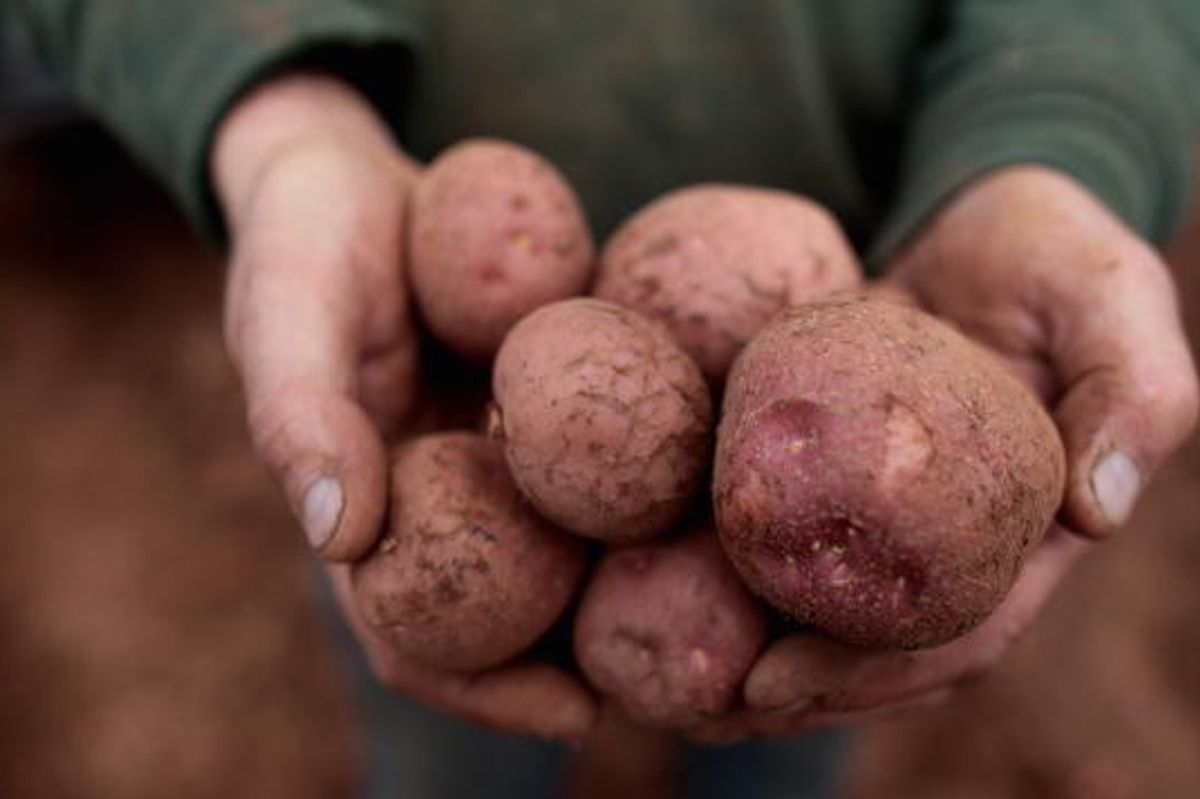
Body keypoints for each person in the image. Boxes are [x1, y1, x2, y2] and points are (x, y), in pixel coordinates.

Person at [7, 1, 1200, 796]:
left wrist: (1066, 126)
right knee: (451, 709)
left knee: (785, 712)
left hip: (884, 258)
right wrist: (279, 111)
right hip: (423, 365)